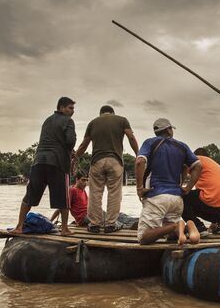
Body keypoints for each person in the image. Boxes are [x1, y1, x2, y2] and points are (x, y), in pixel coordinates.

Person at [10, 97, 77, 236]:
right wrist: (70, 151)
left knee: (30, 196)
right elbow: (70, 141)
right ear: (61, 108)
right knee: (63, 198)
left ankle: (19, 226)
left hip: (39, 162)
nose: (72, 111)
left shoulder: (47, 121)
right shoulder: (68, 121)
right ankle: (64, 229)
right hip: (58, 163)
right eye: (70, 108)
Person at [135, 118, 203, 245]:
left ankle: (175, 227)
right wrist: (187, 188)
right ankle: (187, 226)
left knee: (143, 237)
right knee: (171, 237)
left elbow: (140, 162)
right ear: (168, 129)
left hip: (156, 196)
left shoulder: (150, 143)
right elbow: (198, 166)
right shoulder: (182, 146)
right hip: (177, 198)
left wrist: (139, 188)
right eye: (171, 128)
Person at [74, 105, 139, 234]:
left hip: (97, 161)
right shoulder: (122, 120)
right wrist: (138, 154)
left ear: (101, 114)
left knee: (95, 194)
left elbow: (83, 144)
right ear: (112, 113)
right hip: (115, 161)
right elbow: (131, 137)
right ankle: (110, 224)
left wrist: (75, 158)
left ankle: (94, 225)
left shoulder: (92, 123)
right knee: (114, 193)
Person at [182, 147, 220, 236]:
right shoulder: (213, 164)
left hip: (212, 197)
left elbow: (182, 169)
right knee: (194, 206)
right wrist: (214, 222)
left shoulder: (197, 159)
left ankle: (199, 228)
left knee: (182, 199)